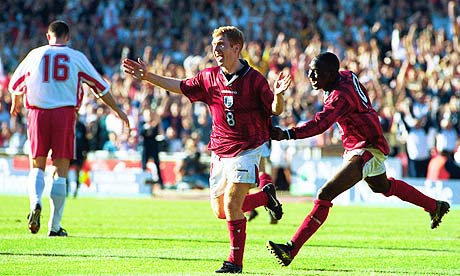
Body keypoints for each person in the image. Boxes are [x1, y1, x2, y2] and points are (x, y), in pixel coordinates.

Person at [122, 25, 292, 273]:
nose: (216, 49)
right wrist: (148, 76)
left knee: (233, 206)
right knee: (220, 211)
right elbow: (180, 86)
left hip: (247, 149)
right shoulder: (209, 76)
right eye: (214, 45)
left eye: (221, 44)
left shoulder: (255, 79)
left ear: (236, 48)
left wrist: (278, 95)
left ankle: (234, 262)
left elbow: (276, 110)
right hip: (219, 150)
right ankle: (266, 196)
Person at [267, 52, 450, 267]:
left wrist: (287, 134)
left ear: (330, 73)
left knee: (325, 194)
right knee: (382, 186)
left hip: (367, 146)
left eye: (316, 72)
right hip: (361, 141)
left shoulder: (339, 95)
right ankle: (435, 206)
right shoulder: (347, 76)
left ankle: (291, 248)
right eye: (310, 70)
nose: (311, 76)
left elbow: (321, 124)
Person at [9, 20, 130, 237]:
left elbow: (15, 83)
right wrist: (118, 111)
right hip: (64, 114)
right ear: (68, 37)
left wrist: (16, 101)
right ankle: (54, 227)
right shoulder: (76, 57)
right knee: (61, 170)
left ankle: (35, 203)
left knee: (37, 166)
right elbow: (101, 88)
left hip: (37, 113)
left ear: (48, 36)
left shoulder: (35, 54)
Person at [67, 114, 89, 198]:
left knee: (78, 172)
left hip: (79, 153)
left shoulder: (81, 127)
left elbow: (85, 140)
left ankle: (76, 190)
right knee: (65, 172)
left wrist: (86, 152)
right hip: (68, 152)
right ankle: (66, 190)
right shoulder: (68, 125)